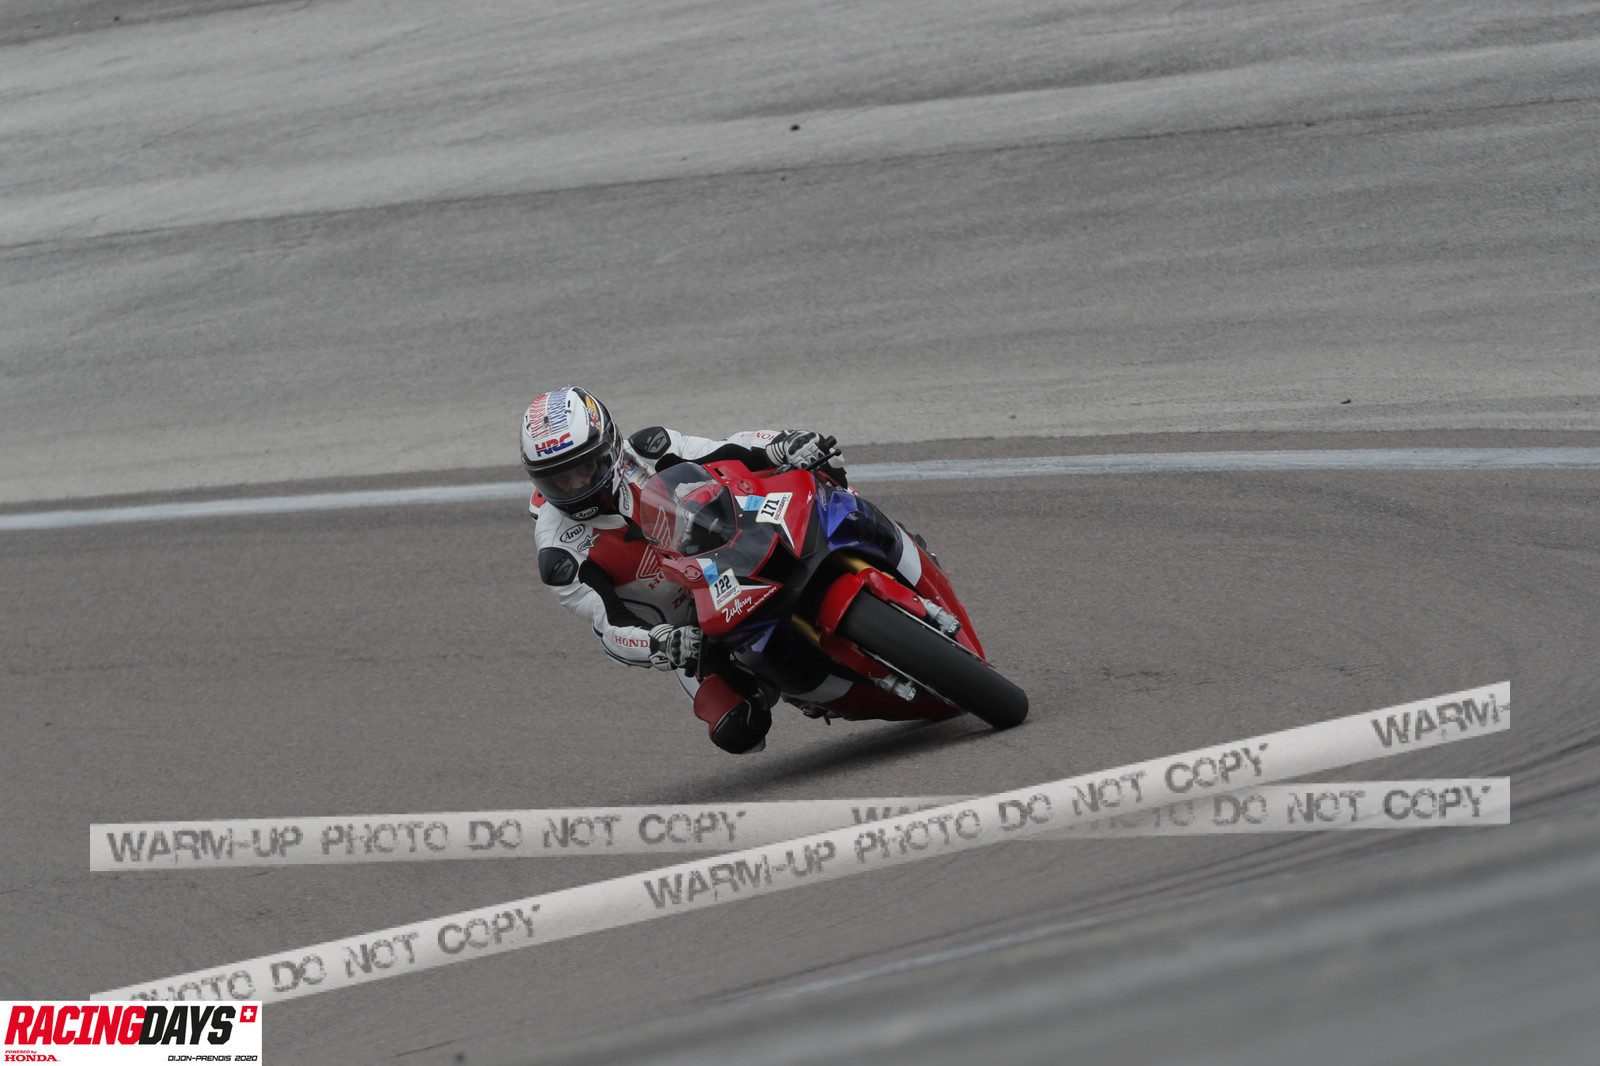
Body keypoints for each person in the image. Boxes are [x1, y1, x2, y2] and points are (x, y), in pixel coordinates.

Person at [520, 386, 848, 754]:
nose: (576, 487)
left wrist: (781, 444)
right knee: (738, 732)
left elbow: (726, 448)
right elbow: (609, 625)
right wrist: (662, 643)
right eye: (557, 480)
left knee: (822, 463)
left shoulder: (648, 449)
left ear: (609, 447)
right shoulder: (558, 553)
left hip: (732, 549)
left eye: (583, 469)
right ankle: (794, 685)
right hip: (694, 630)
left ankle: (878, 540)